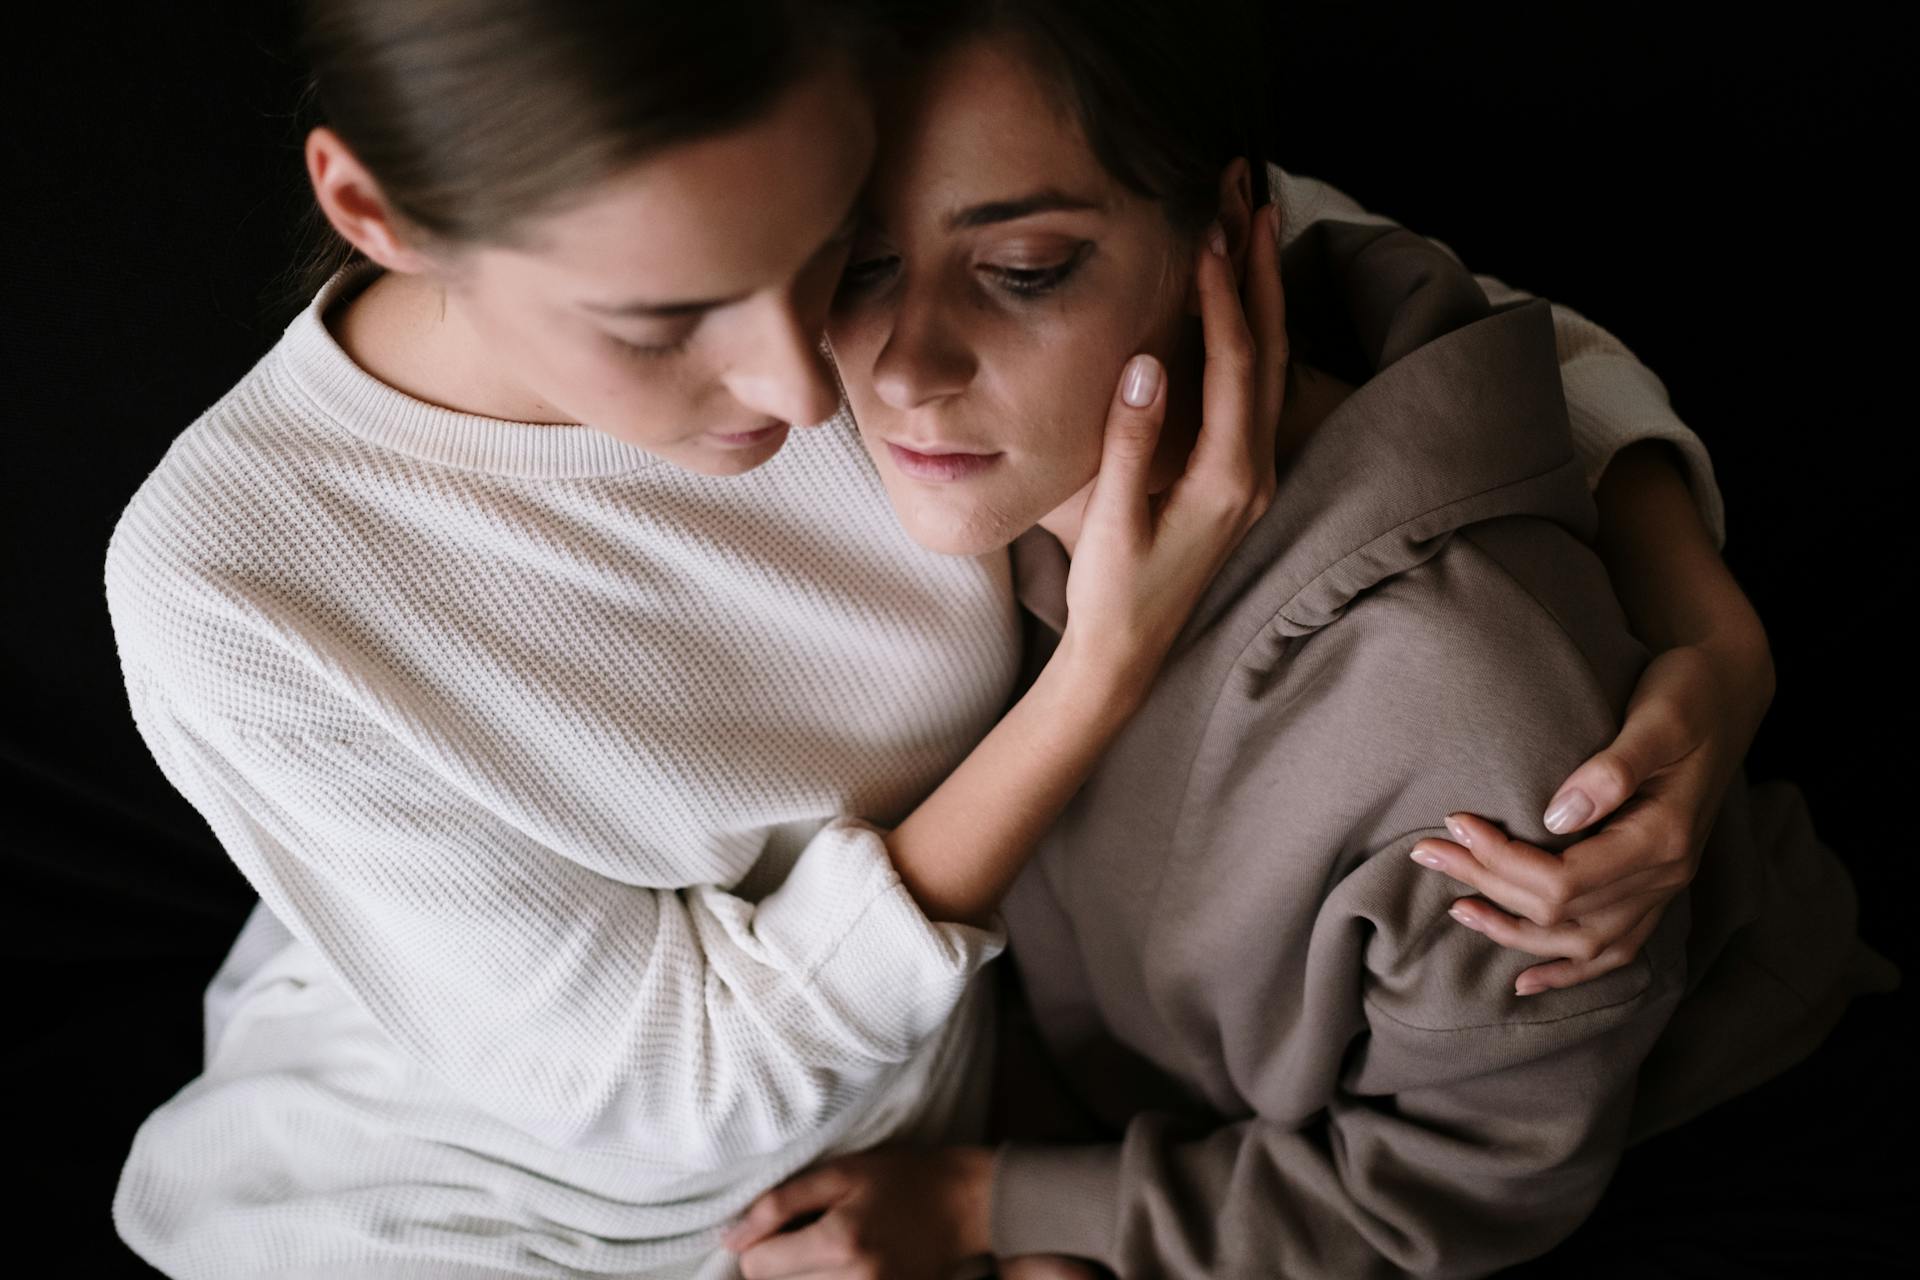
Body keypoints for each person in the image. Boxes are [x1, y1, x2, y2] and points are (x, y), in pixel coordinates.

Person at [110, 1, 1781, 1276]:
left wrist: (1701, 629)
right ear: (375, 209)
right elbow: (665, 1084)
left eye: (813, 247)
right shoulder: (238, 587)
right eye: (664, 319)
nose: (808, 385)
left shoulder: (863, 139)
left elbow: (1308, 262)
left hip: (953, 1102)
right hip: (529, 1157)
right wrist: (1098, 669)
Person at [720, 4, 1899, 1276]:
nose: (905, 369)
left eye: (1023, 272)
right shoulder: (957, 452)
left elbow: (1458, 1187)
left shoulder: (1463, 719)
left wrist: (994, 1206)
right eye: (858, 261)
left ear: (1230, 231)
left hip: (1667, 1157)